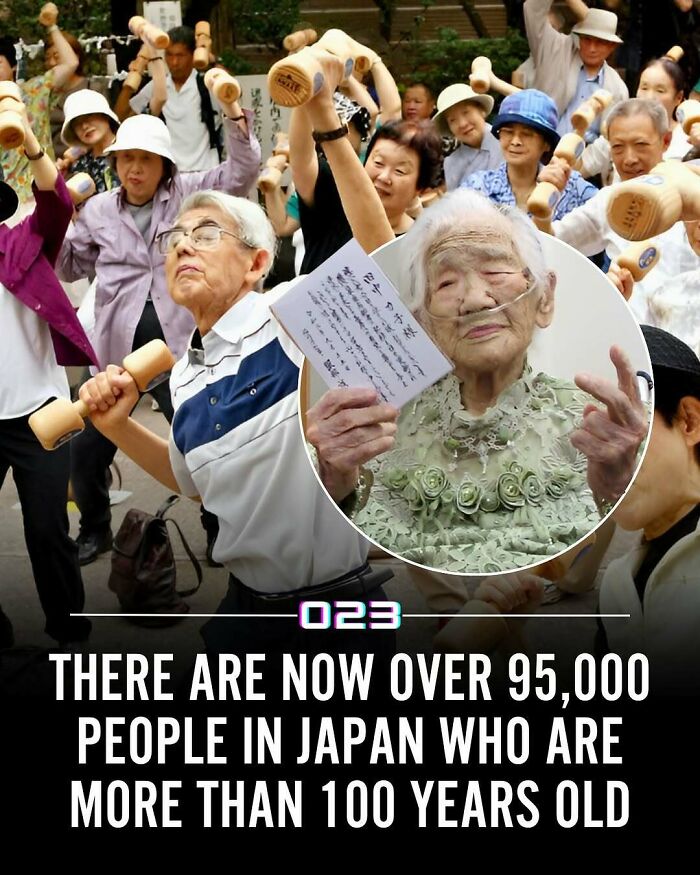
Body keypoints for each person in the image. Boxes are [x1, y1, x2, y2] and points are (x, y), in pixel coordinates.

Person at [74, 189, 395, 658]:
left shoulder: (289, 315)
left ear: (256, 263)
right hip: (244, 609)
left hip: (336, 605)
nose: (183, 246)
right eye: (176, 238)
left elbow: (384, 263)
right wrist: (116, 426)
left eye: (206, 234)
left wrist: (326, 126)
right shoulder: (184, 375)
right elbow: (195, 485)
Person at [306, 188, 648, 573]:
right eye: (447, 283)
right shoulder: (375, 429)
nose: (475, 300)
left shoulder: (601, 428)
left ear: (544, 298)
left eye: (496, 272)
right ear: (423, 322)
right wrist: (334, 479)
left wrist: (620, 485)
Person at [57, 98, 260, 566]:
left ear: (164, 165)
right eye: (127, 158)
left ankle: (218, 530)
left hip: (181, 352)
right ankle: (94, 530)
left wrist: (232, 113)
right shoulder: (98, 211)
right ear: (115, 161)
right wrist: (59, 218)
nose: (134, 168)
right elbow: (68, 265)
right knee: (85, 451)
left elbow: (242, 172)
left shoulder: (191, 196)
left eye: (146, 159)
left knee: (202, 444)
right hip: (114, 355)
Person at [0, 104, 96, 648]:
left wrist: (32, 146)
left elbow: (57, 203)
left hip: (41, 408)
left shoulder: (22, 245)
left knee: (47, 530)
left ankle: (70, 631)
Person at [597, 325, 700, 692]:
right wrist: (511, 639)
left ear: (689, 421)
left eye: (623, 425)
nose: (607, 456)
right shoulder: (615, 586)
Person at [540, 98, 698, 318]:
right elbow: (550, 245)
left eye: (641, 145)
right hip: (636, 338)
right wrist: (546, 205)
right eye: (618, 147)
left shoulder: (691, 188)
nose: (629, 159)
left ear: (666, 140)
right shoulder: (609, 202)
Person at [460, 89, 597, 219]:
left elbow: (608, 214)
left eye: (527, 134)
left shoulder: (571, 186)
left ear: (546, 144)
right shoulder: (477, 187)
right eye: (508, 131)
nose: (515, 141)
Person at [523, 0, 629, 142]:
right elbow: (532, 10)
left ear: (612, 46)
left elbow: (610, 141)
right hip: (540, 148)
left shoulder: (617, 88)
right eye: (587, 39)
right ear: (578, 38)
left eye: (600, 42)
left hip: (585, 158)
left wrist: (583, 163)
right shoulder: (556, 50)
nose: (592, 48)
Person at [0, 25, 79, 211]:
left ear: (13, 65)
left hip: (42, 192)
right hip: (5, 203)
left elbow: (70, 64)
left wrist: (51, 26)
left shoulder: (34, 90)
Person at [581, 54, 692, 181]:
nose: (649, 97)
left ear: (678, 97)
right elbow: (579, 169)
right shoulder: (617, 130)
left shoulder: (688, 140)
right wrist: (578, 132)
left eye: (660, 90)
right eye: (644, 87)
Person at [129, 25, 221, 172]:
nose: (174, 62)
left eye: (180, 56)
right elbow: (124, 116)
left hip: (206, 173)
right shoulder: (158, 85)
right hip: (172, 177)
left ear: (193, 55)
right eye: (169, 55)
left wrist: (211, 60)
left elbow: (234, 92)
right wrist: (135, 74)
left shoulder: (207, 84)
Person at [432, 84, 501, 191]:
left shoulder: (505, 140)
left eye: (466, 112)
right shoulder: (451, 163)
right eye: (452, 120)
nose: (462, 124)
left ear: (481, 110)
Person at [58, 90, 120, 193]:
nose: (84, 126)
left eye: (89, 117)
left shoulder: (127, 150)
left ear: (105, 116)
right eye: (77, 124)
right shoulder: (80, 163)